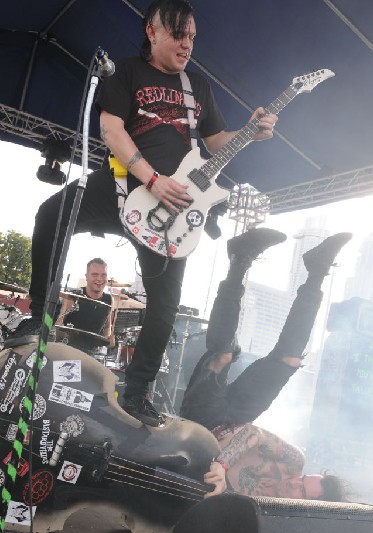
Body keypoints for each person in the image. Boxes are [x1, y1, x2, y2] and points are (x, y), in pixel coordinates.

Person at [5, 0, 278, 427]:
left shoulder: (198, 87)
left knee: (166, 306)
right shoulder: (128, 72)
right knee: (50, 214)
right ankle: (38, 318)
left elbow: (217, 140)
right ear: (153, 31)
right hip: (121, 185)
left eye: (191, 36)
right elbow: (111, 129)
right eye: (178, 34)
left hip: (173, 206)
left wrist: (252, 133)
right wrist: (151, 179)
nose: (187, 44)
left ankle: (137, 390)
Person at [179, 227, 352, 500]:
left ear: (306, 505)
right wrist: (223, 465)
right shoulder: (293, 461)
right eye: (303, 480)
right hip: (238, 416)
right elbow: (253, 433)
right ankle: (317, 270)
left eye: (302, 492)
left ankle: (239, 260)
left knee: (222, 355)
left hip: (200, 424)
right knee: (289, 360)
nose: (295, 483)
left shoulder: (272, 510)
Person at [56, 258, 115, 353]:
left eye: (103, 275)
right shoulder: (73, 296)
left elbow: (107, 327)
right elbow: (58, 325)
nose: (99, 279)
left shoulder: (109, 299)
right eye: (95, 274)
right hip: (68, 350)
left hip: (92, 353)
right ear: (86, 277)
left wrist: (108, 339)